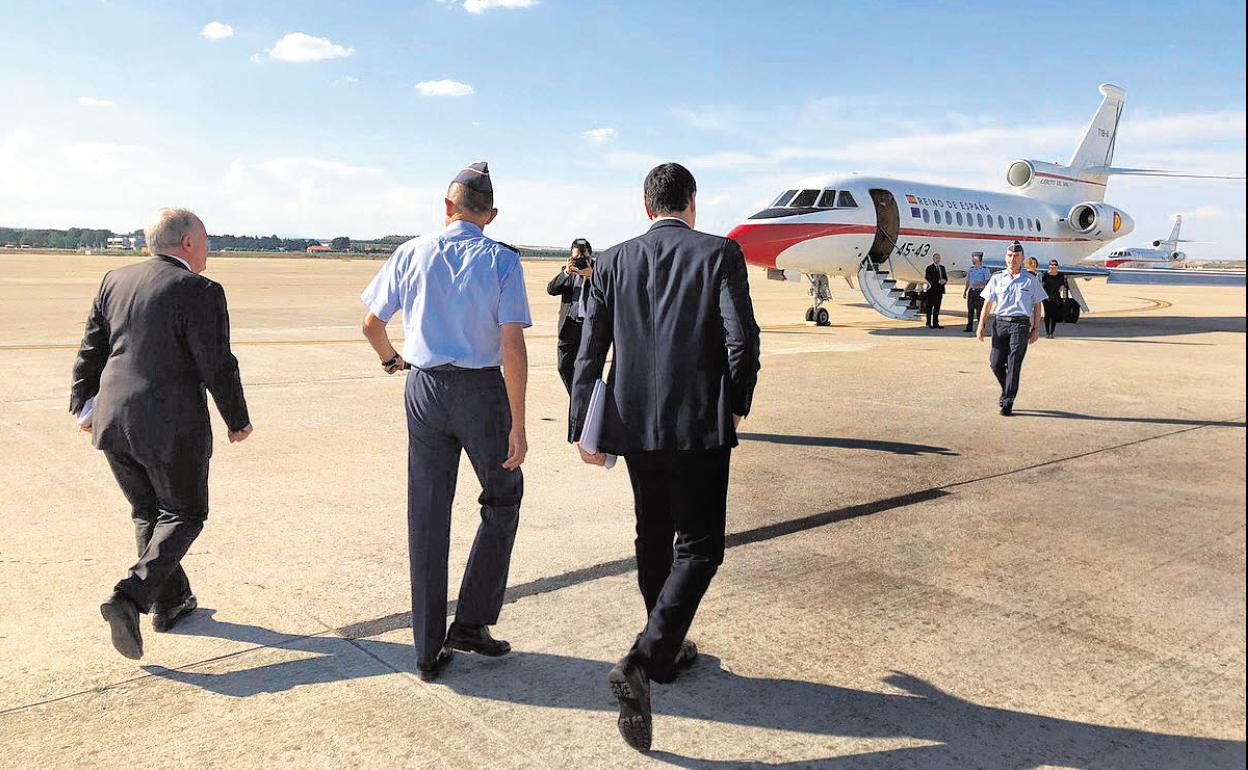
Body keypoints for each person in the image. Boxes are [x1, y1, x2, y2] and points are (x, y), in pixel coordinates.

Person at [569, 163, 761, 751]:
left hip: (633, 426)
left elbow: (590, 347)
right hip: (698, 423)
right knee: (700, 546)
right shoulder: (718, 254)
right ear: (692, 202)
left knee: (652, 534)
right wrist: (737, 402)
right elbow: (741, 338)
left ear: (647, 206)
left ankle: (667, 647)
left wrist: (584, 422)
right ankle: (645, 658)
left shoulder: (612, 260)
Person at [360, 162, 532, 682]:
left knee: (428, 515)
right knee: (502, 497)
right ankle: (473, 621)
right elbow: (512, 346)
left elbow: (371, 324)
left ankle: (426, 650)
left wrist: (393, 361)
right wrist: (518, 425)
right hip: (481, 394)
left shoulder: (411, 252)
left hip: (425, 389)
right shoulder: (502, 260)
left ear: (447, 207)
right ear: (492, 215)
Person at [70, 208, 253, 660]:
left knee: (148, 512)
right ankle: (130, 597)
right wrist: (237, 419)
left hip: (114, 420)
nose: (209, 248)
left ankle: (170, 602)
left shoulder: (115, 279)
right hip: (169, 427)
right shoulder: (199, 290)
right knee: (186, 513)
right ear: (188, 242)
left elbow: (91, 348)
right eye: (206, 239)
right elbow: (217, 363)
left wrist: (84, 406)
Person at [977, 241, 1047, 415]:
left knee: (1014, 363)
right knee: (995, 363)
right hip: (1000, 323)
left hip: (1020, 325)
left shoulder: (1030, 280)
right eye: (1009, 256)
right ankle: (1006, 389)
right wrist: (980, 324)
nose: (1012, 259)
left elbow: (1037, 305)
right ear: (1005, 258)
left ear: (1022, 259)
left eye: (1016, 256)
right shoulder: (997, 278)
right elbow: (988, 302)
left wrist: (1036, 328)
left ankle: (1007, 402)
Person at [546, 238, 594, 393]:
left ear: (590, 256)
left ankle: (582, 401)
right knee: (563, 366)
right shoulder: (567, 271)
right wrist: (566, 272)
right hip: (569, 326)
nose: (579, 261)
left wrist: (592, 276)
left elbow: (611, 292)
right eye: (575, 258)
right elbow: (551, 289)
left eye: (582, 258)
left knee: (587, 368)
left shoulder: (598, 271)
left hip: (589, 327)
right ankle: (576, 398)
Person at [963, 254, 992, 332]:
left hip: (980, 291)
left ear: (979, 261)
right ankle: (969, 327)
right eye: (973, 260)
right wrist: (965, 291)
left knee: (980, 311)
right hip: (971, 291)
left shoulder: (985, 270)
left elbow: (988, 280)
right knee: (970, 310)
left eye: (974, 260)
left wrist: (980, 283)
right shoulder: (971, 269)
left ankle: (981, 327)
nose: (973, 261)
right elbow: (968, 281)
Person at [1041, 259, 1069, 339]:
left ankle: (1052, 332)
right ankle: (1047, 333)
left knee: (1054, 315)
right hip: (1046, 297)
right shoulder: (1045, 274)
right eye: (1051, 265)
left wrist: (1061, 289)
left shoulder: (1061, 275)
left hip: (1056, 297)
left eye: (1055, 265)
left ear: (1057, 266)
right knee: (1047, 314)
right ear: (1049, 266)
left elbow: (1063, 284)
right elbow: (1042, 285)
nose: (1053, 266)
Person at [924, 253, 948, 328]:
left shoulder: (942, 268)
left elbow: (945, 277)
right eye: (936, 258)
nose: (938, 259)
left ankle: (935, 323)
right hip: (931, 291)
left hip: (939, 291)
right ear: (933, 259)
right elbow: (928, 278)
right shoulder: (929, 268)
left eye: (939, 258)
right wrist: (938, 282)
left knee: (937, 308)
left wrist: (944, 281)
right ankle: (928, 322)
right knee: (929, 308)